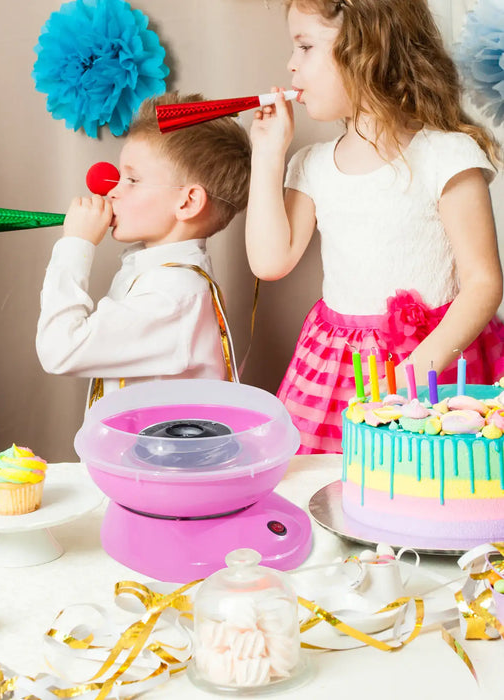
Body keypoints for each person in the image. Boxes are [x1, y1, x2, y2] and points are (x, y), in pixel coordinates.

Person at [245, 0, 504, 454]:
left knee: (427, 484)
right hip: (338, 370)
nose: (290, 63)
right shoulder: (312, 165)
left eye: (305, 46)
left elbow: (483, 283)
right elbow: (270, 261)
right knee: (343, 491)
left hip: (436, 362)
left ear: (368, 48)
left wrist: (414, 373)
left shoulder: (447, 156)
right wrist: (267, 154)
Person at [36, 92, 251, 405]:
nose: (111, 191)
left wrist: (76, 246)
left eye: (132, 180)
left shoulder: (173, 295)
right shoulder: (155, 274)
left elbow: (60, 350)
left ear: (187, 201)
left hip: (160, 455)